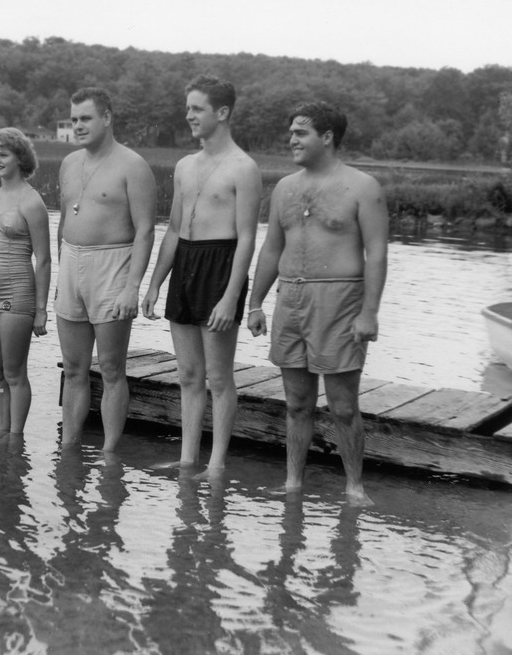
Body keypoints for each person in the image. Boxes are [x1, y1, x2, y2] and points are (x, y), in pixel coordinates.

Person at [246, 101, 388, 506]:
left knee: (343, 406)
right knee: (296, 403)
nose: (291, 139)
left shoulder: (363, 187)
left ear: (327, 137)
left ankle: (355, 488)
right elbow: (272, 248)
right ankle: (293, 483)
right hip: (290, 296)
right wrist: (255, 303)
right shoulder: (285, 189)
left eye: (301, 132)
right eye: (291, 131)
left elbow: (376, 253)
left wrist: (369, 313)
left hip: (340, 300)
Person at [142, 75, 262, 479]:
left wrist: (231, 298)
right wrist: (156, 282)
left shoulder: (243, 168)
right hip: (185, 263)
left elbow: (247, 237)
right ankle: (189, 457)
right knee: (189, 375)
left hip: (221, 263)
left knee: (218, 376)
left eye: (197, 108)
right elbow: (174, 229)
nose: (188, 115)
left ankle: (216, 464)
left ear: (222, 113)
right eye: (188, 107)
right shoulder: (183, 166)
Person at [57, 87, 156, 452]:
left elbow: (146, 230)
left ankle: (110, 452)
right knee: (73, 368)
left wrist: (133, 286)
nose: (78, 126)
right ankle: (68, 447)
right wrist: (58, 278)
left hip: (112, 264)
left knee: (112, 369)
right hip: (71, 262)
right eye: (74, 120)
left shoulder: (133, 165)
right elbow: (65, 219)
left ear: (107, 118)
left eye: (86, 118)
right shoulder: (69, 163)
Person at [0, 128, 52, 437]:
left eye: (3, 154)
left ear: (20, 158)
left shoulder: (32, 202)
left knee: (14, 372)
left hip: (16, 295)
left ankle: (16, 439)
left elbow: (44, 259)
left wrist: (41, 310)